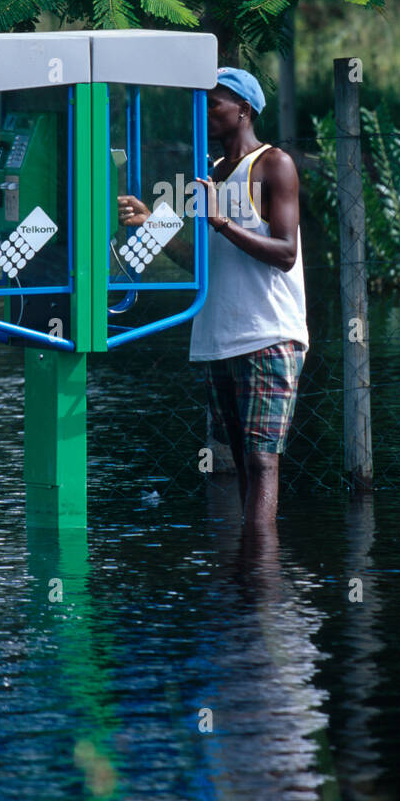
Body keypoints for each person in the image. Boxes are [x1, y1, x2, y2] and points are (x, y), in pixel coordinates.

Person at [118, 68, 308, 526]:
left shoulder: (272, 164)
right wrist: (153, 226)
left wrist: (221, 221)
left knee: (263, 463)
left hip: (268, 335)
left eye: (214, 103)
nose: (204, 111)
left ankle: (262, 578)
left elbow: (284, 253)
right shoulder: (212, 173)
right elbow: (204, 260)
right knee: (242, 459)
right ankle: (250, 579)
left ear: (244, 110)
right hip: (220, 336)